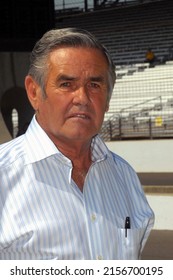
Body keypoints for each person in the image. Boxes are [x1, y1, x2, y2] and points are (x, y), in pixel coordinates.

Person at [0, 28, 154, 260]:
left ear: (108, 99)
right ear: (34, 92)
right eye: (66, 84)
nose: (82, 98)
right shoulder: (4, 176)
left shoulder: (124, 175)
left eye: (94, 85)